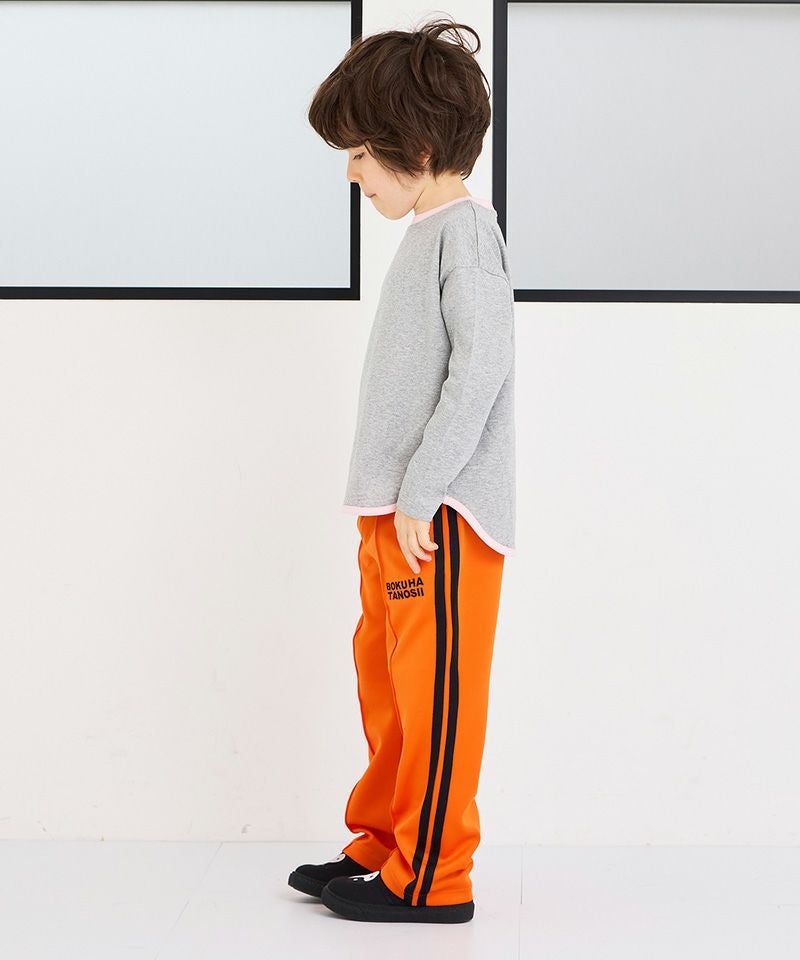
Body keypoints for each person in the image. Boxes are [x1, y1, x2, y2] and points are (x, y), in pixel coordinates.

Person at [287, 17, 516, 924]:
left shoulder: (467, 235)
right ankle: (385, 843)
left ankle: (433, 877)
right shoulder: (428, 233)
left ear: (416, 149)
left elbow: (482, 367)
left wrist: (422, 492)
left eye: (358, 154)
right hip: (397, 514)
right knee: (388, 689)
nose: (352, 172)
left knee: (435, 695)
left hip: (441, 516)